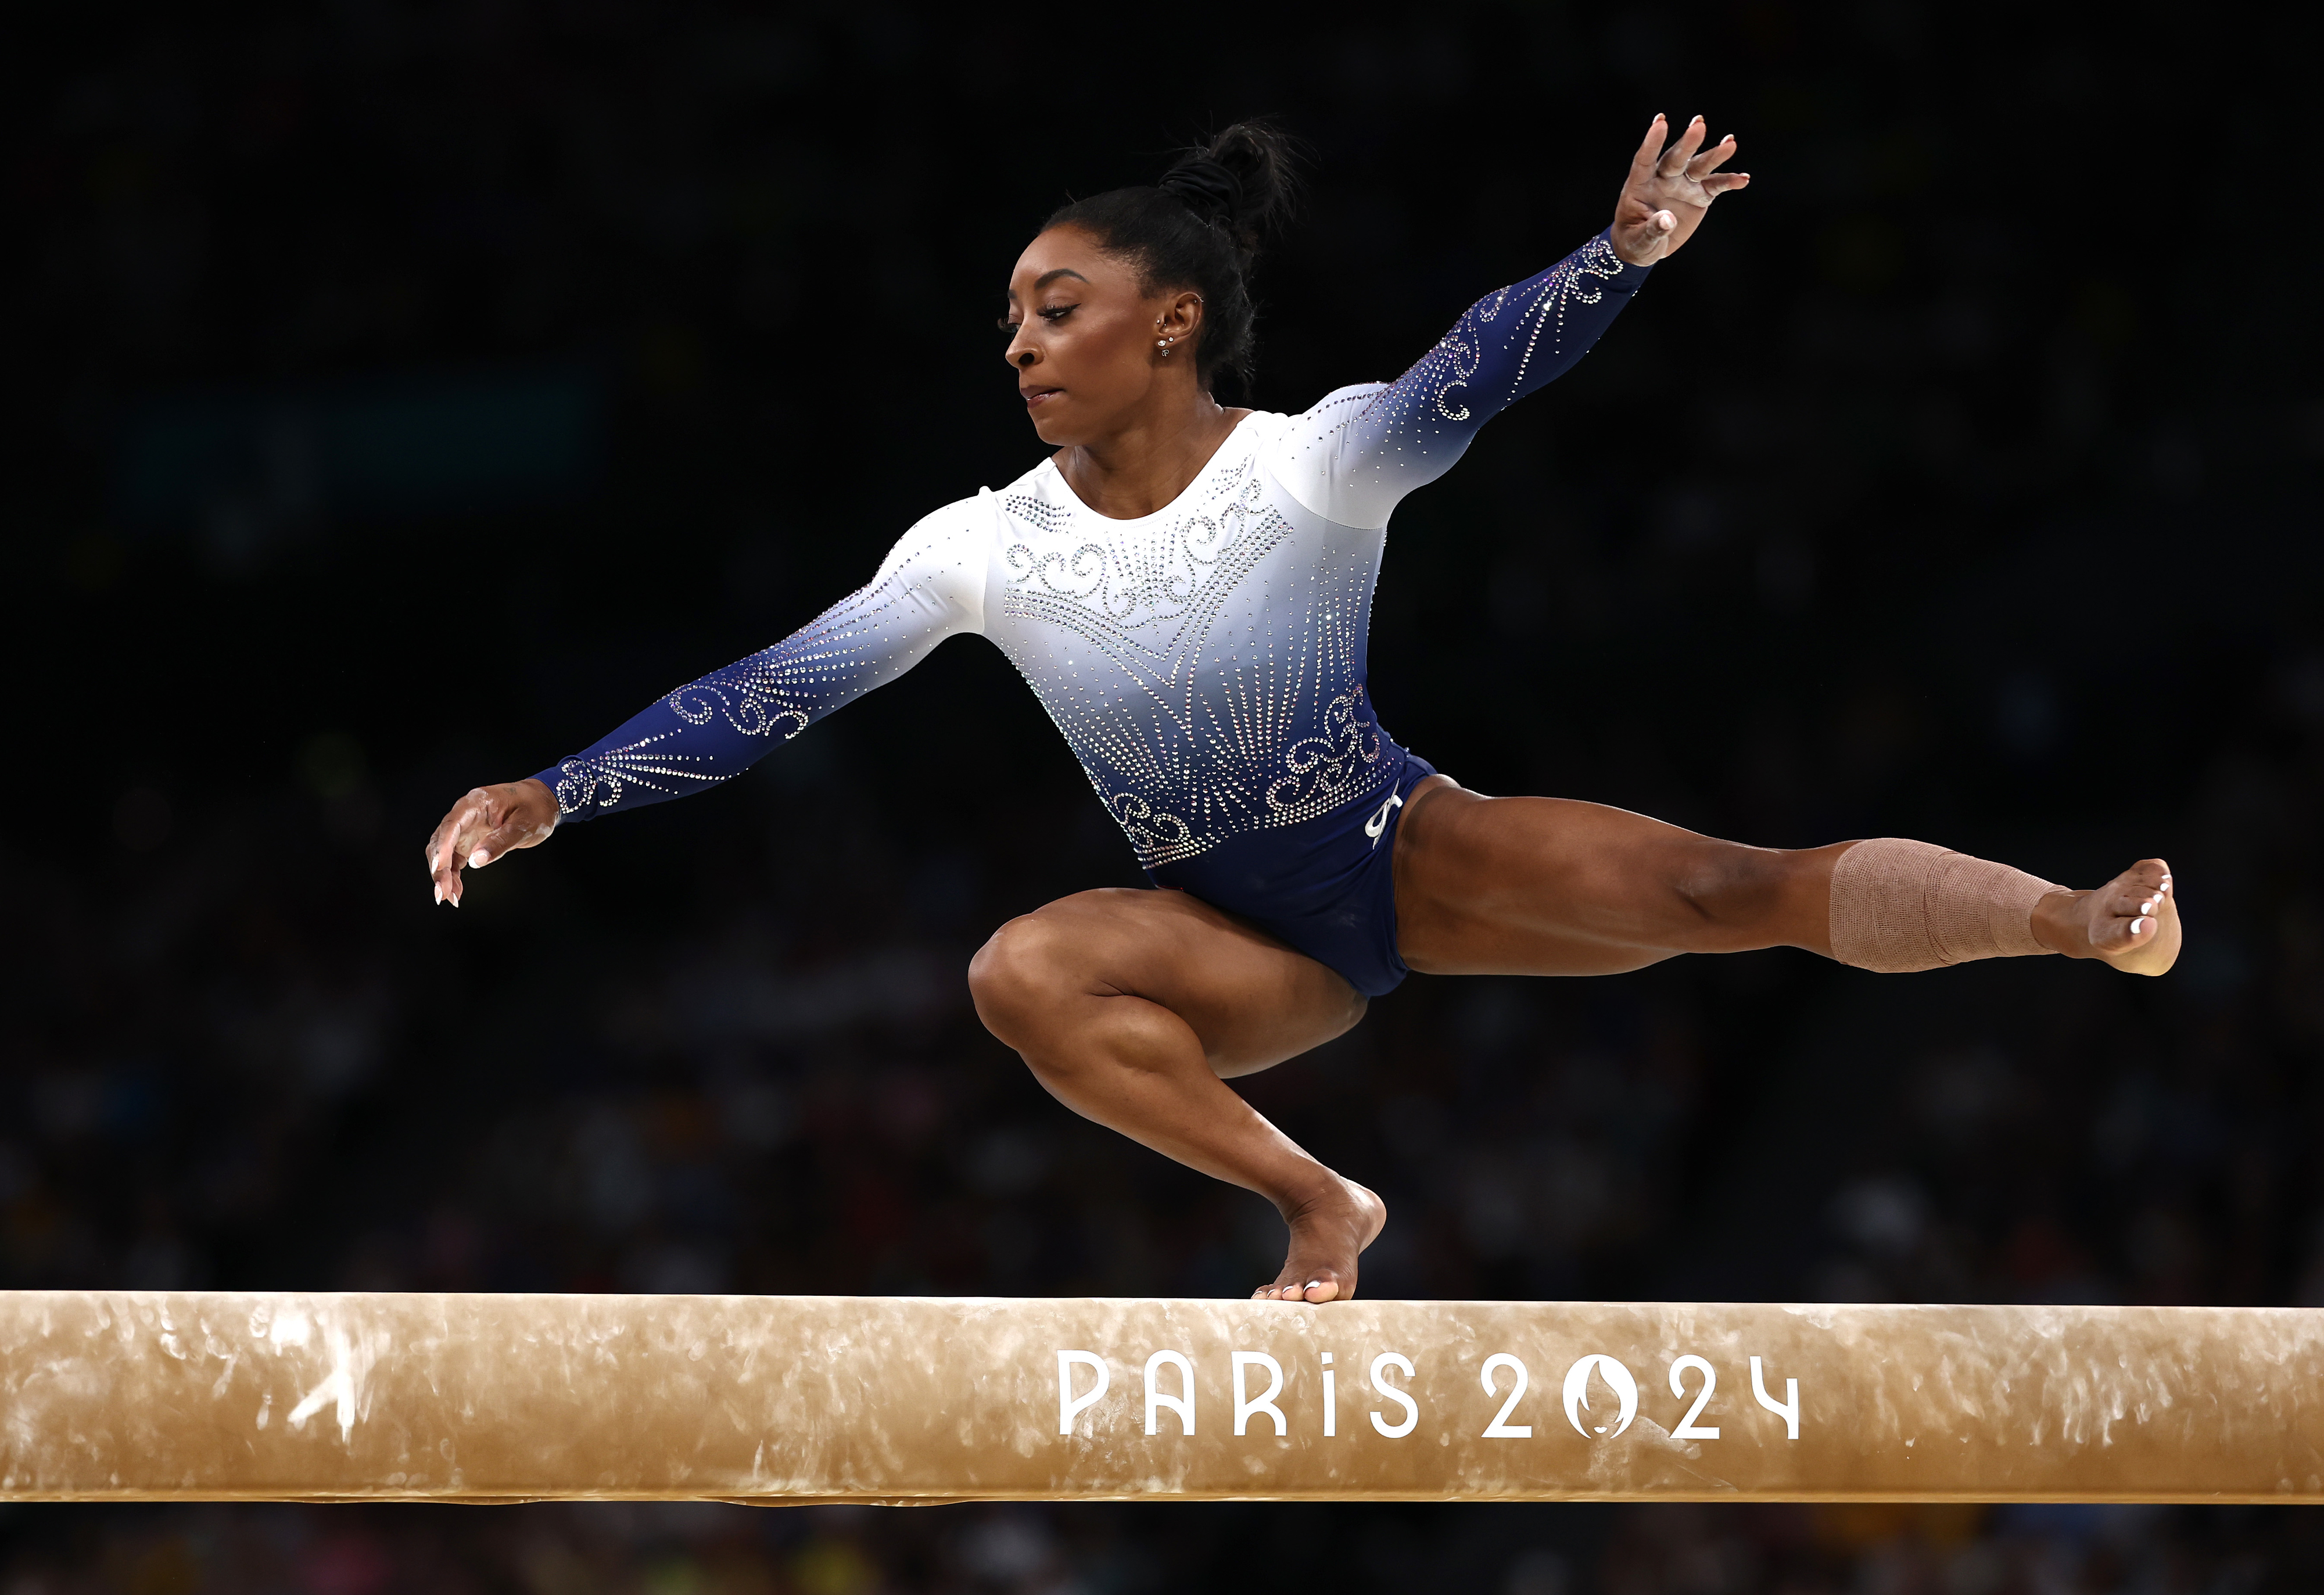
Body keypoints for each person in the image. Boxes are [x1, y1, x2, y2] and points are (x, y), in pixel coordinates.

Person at [425, 116, 2181, 1305]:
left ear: (1171, 322)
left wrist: (1620, 255)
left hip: (1395, 851)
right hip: (1220, 938)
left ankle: (2077, 918)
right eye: (1011, 321)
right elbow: (780, 687)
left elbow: (1472, 371)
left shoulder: (1312, 465)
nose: (1022, 346)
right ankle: (1317, 1198)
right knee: (1019, 970)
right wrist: (561, 791)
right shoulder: (977, 548)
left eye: (1061, 309)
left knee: (1731, 888)